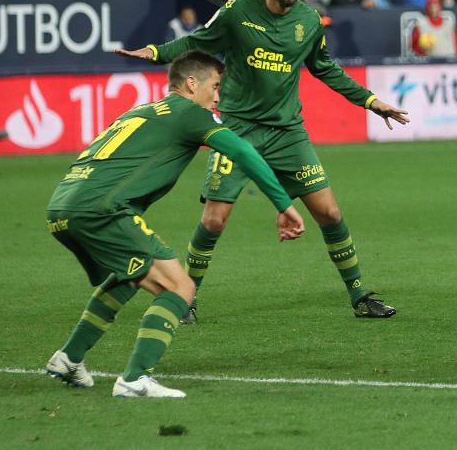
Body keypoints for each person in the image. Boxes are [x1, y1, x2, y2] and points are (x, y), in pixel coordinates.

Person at [116, 0, 409, 323]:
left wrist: (371, 101)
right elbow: (195, 42)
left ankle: (359, 296)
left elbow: (326, 68)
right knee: (214, 221)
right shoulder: (237, 13)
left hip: (288, 132)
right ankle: (184, 298)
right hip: (237, 130)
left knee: (330, 213)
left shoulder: (307, 22)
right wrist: (155, 53)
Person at [44, 51, 305, 398]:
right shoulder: (190, 114)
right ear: (191, 83)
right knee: (180, 288)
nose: (217, 95)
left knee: (128, 276)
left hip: (63, 207)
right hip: (101, 211)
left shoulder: (142, 109)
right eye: (215, 86)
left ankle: (69, 358)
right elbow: (242, 152)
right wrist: (284, 204)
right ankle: (135, 379)